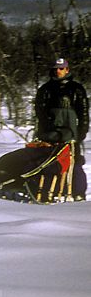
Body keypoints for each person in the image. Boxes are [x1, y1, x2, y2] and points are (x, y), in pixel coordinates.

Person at [34, 57, 88, 200]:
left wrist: (81, 132)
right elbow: (40, 113)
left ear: (67, 69)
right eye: (56, 68)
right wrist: (43, 133)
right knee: (48, 163)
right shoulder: (45, 90)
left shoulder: (77, 89)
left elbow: (83, 114)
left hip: (72, 135)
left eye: (61, 68)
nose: (58, 71)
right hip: (50, 134)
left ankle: (78, 193)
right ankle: (46, 192)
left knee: (74, 164)